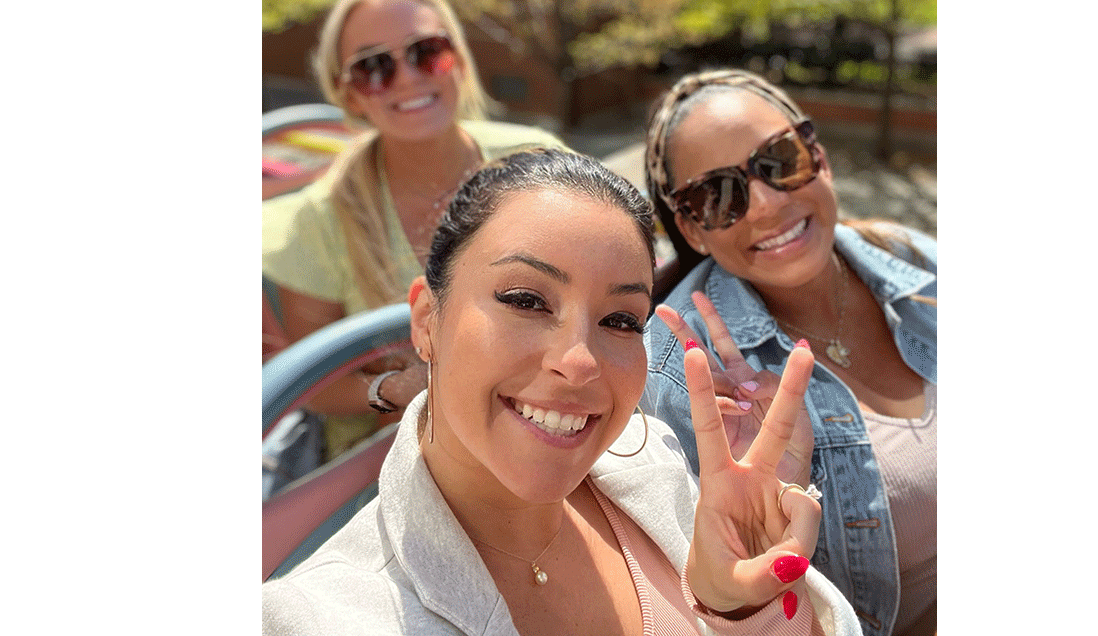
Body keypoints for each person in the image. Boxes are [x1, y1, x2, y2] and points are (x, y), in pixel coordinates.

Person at [262, 149, 862, 636]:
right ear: (427, 321)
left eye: (621, 320)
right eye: (525, 301)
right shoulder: (312, 618)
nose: (579, 362)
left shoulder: (656, 464)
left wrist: (741, 610)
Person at [640, 71, 936, 636]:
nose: (767, 205)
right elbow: (702, 603)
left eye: (780, 159)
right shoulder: (683, 370)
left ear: (818, 156)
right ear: (690, 227)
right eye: (718, 195)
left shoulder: (916, 260)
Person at [262, 0, 567, 467]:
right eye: (374, 67)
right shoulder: (319, 220)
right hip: (390, 464)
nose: (408, 78)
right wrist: (392, 389)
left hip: (544, 424)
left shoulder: (540, 164)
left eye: (427, 51)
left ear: (459, 62)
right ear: (350, 95)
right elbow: (317, 385)